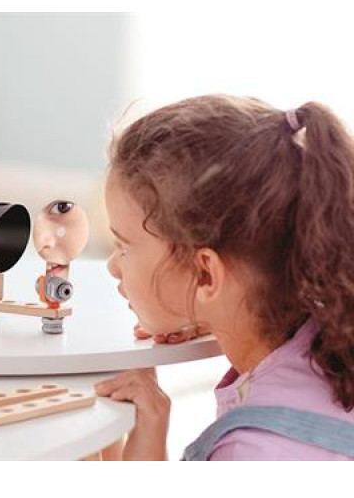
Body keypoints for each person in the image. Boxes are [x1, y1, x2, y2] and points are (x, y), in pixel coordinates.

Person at [95, 94, 354, 460]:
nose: (112, 265)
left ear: (205, 275)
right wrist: (208, 311)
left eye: (124, 246)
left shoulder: (248, 454)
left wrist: (147, 438)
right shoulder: (334, 336)